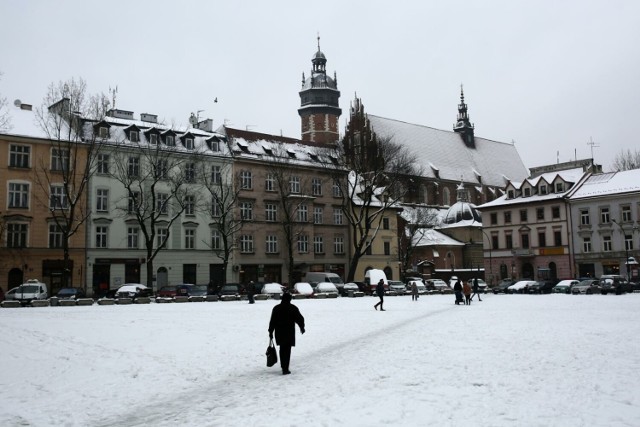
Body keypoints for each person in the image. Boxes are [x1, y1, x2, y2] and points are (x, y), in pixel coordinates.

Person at [268, 292, 305, 375]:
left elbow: (272, 321)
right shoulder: (293, 308)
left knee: (282, 349)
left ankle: (283, 367)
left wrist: (270, 331)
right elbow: (300, 319)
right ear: (289, 299)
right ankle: (285, 368)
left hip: (279, 332)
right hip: (289, 332)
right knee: (287, 350)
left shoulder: (276, 308)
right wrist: (302, 327)